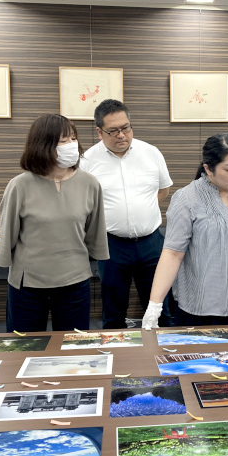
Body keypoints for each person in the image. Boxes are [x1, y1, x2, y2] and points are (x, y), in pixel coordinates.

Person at [144, 133, 228, 327]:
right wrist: (155, 305)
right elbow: (172, 254)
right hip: (201, 310)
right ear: (208, 168)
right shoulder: (186, 199)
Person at [0, 114, 109, 332]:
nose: (71, 146)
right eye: (63, 141)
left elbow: (95, 231)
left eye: (73, 139)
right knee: (24, 346)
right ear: (43, 144)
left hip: (75, 280)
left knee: (72, 350)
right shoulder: (20, 185)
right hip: (28, 283)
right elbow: (8, 233)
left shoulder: (89, 183)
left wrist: (98, 259)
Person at [80, 99, 173, 328]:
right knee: (113, 311)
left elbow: (163, 189)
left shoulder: (151, 153)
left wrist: (142, 212)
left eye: (126, 128)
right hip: (112, 244)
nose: (121, 135)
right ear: (99, 132)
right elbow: (83, 203)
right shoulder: (87, 161)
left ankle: (165, 355)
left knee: (160, 307)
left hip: (151, 242)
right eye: (113, 131)